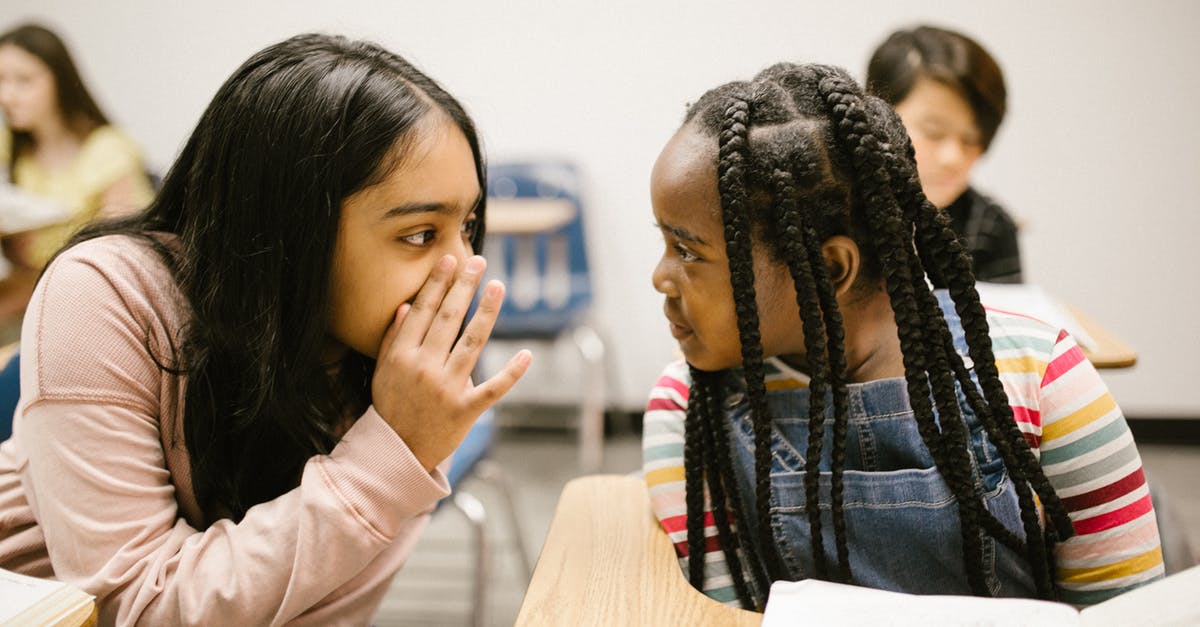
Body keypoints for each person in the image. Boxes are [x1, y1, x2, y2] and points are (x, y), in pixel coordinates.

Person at [0, 33, 531, 624]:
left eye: (468, 226)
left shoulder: (394, 375)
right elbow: (135, 608)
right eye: (419, 234)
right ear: (289, 229)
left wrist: (400, 445)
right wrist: (389, 457)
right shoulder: (104, 292)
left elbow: (322, 613)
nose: (464, 268)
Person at [642, 62, 1163, 612]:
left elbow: (1126, 614)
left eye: (688, 251)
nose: (659, 277)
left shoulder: (1045, 380)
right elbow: (725, 617)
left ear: (830, 269)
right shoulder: (687, 407)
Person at [0, 23, 155, 328]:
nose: (7, 95)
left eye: (24, 81)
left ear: (59, 79)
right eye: (1, 80)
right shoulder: (11, 145)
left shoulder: (109, 149)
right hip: (27, 291)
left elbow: (125, 256)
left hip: (85, 298)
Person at [866, 25, 1022, 284]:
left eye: (971, 140)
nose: (953, 158)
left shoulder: (989, 227)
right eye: (934, 132)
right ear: (876, 114)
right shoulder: (828, 204)